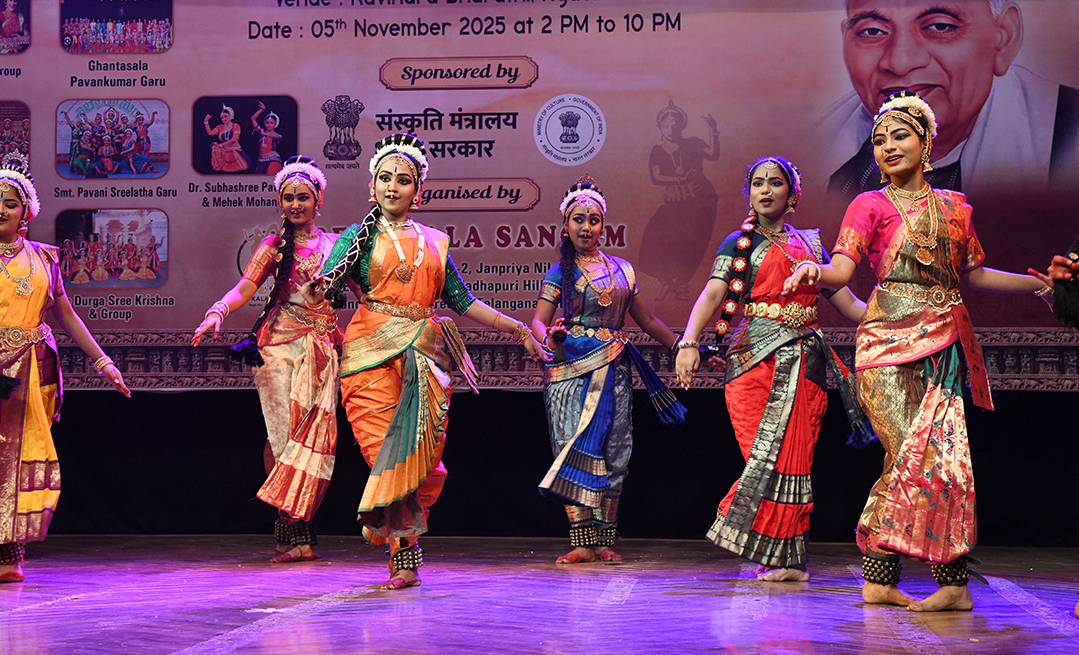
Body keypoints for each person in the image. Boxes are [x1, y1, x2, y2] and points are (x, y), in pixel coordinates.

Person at [785, 91, 1054, 611]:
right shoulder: (868, 205)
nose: (887, 146)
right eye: (878, 140)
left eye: (899, 136)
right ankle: (897, 579)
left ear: (927, 143)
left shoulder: (954, 207)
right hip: (886, 344)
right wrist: (816, 272)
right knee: (909, 454)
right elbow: (843, 268)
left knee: (944, 462)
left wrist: (1038, 284)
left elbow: (975, 274)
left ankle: (945, 584)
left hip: (944, 342)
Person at [308, 133, 548, 589]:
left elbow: (463, 300)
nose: (392, 186)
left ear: (418, 191)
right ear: (371, 186)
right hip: (369, 354)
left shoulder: (435, 242)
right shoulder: (356, 238)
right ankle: (403, 557)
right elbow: (326, 286)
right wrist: (319, 291)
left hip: (423, 354)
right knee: (385, 453)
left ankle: (398, 533)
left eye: (403, 180)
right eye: (384, 178)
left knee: (425, 461)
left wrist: (518, 328)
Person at [0, 152, 131, 585]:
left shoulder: (45, 258)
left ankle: (9, 559)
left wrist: (103, 361)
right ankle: (1, 553)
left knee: (18, 457)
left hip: (33, 367)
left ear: (27, 212)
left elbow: (67, 316)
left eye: (10, 204)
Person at [675, 157, 870, 582]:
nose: (766, 190)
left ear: (792, 194)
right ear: (749, 194)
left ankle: (789, 559)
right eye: (758, 183)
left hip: (804, 362)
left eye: (776, 183)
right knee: (763, 458)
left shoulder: (813, 247)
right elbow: (712, 295)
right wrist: (689, 341)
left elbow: (851, 304)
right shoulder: (738, 243)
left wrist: (902, 314)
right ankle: (778, 552)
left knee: (793, 458)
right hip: (751, 363)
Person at [530, 174, 687, 565]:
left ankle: (604, 541)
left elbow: (648, 320)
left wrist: (683, 346)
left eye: (594, 220)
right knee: (574, 450)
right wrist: (550, 336)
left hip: (614, 371)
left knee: (615, 454)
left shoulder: (623, 271)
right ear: (565, 225)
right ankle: (582, 542)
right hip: (571, 373)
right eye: (578, 219)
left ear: (603, 225)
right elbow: (538, 322)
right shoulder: (559, 273)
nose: (586, 227)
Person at [192, 156, 340, 563]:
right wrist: (218, 311)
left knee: (316, 440)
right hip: (277, 348)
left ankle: (300, 534)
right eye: (288, 197)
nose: (296, 204)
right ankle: (290, 534)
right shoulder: (272, 247)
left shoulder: (337, 246)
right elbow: (245, 287)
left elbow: (361, 293)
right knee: (282, 438)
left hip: (321, 349)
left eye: (303, 197)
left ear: (318, 200)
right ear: (280, 202)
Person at [821, 0, 1079, 197]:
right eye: (872, 31)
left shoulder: (1069, 139)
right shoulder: (818, 150)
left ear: (1004, 37)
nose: (900, 63)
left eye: (940, 27)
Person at [639, 99, 720, 301]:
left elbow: (713, 154)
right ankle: (666, 281)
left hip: (700, 200)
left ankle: (681, 284)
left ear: (681, 126)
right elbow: (656, 177)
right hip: (675, 200)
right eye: (666, 126)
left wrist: (713, 131)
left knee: (692, 242)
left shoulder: (693, 143)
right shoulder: (658, 150)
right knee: (655, 236)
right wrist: (681, 179)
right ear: (660, 127)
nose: (670, 130)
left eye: (674, 126)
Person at [205, 106, 251, 173]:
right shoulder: (220, 127)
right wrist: (206, 122)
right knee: (212, 146)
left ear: (230, 116)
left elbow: (235, 138)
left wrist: (222, 144)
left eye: (225, 116)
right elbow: (210, 132)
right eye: (222, 118)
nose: (224, 119)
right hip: (224, 150)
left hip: (235, 149)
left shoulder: (235, 126)